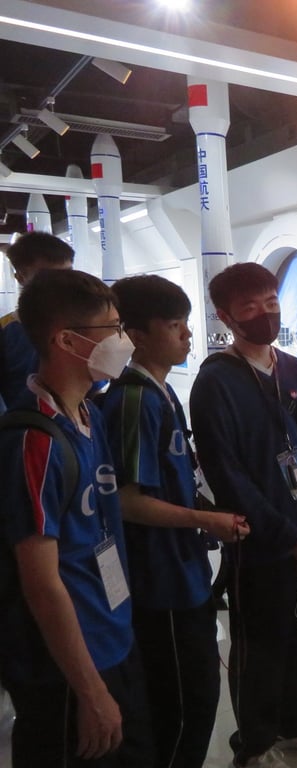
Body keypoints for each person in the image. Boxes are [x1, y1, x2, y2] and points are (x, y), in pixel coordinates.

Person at [189, 262, 297, 768]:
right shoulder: (215, 383)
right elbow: (228, 477)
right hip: (259, 541)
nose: (264, 315)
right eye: (250, 307)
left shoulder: (293, 369)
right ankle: (253, 744)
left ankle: (294, 724)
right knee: (261, 645)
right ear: (226, 316)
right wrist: (285, 535)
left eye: (271, 303)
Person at [0, 268, 152, 766]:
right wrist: (90, 692)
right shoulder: (34, 441)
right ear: (66, 339)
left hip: (111, 635)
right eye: (112, 330)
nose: (124, 341)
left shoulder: (88, 414)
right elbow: (42, 584)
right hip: (65, 668)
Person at [101, 274, 249, 768]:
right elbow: (127, 500)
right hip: (158, 583)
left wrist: (204, 514)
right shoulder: (135, 400)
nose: (187, 334)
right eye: (173, 325)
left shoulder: (162, 393)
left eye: (186, 323)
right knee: (183, 706)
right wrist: (202, 521)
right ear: (138, 335)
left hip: (183, 572)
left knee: (196, 698)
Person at [0, 232, 75, 411]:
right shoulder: (6, 331)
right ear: (20, 277)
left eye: (68, 275)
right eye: (48, 276)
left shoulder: (81, 325)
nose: (62, 284)